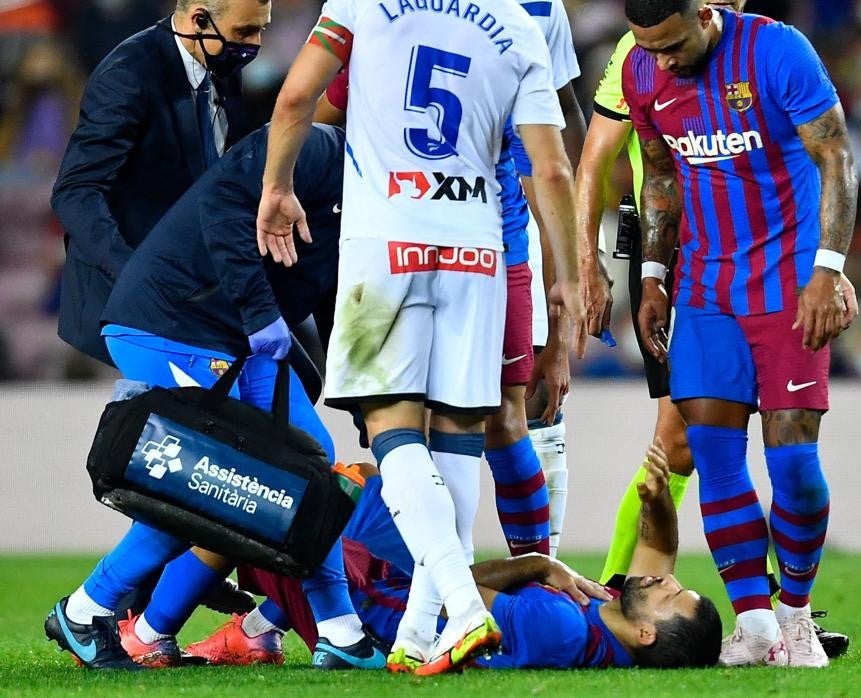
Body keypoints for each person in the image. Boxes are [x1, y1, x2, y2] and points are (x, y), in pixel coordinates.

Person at [257, 0, 584, 675]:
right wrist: (570, 282)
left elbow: (295, 98)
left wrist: (277, 185)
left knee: (392, 431)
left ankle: (463, 609)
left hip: (387, 245)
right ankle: (417, 630)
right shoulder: (520, 24)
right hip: (480, 251)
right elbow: (551, 168)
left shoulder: (359, 3)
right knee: (463, 436)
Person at [44, 124, 387, 671]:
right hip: (170, 322)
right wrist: (260, 317)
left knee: (315, 474)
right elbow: (224, 205)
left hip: (237, 335)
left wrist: (361, 398)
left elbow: (339, 295)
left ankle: (341, 633)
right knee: (203, 486)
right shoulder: (316, 149)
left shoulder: (391, 189)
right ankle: (87, 610)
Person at [574, 0, 851, 660]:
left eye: (673, 44)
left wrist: (830, 268)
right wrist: (651, 277)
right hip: (704, 288)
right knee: (714, 459)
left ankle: (796, 614)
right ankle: (754, 626)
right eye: (650, 47)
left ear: (703, 13)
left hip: (787, 282)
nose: (663, 59)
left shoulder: (777, 52)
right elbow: (660, 175)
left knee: (796, 467)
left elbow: (836, 157)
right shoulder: (642, 71)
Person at [310, 0, 586, 565]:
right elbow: (556, 155)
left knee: (425, 425)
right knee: (477, 423)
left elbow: (311, 111)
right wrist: (570, 269)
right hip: (484, 245)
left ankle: (501, 580)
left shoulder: (378, 10)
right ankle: (465, 587)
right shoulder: (520, 18)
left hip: (420, 244)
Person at [193, 443, 723, 670]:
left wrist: (540, 564)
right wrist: (656, 499)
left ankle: (140, 625)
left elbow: (453, 586)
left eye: (669, 595)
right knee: (371, 479)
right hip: (399, 575)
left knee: (250, 502)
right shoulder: (611, 611)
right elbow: (660, 549)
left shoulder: (559, 627)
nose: (662, 582)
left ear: (648, 634)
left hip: (374, 608)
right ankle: (260, 626)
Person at [52, 0, 269, 367]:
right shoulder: (130, 74)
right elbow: (75, 191)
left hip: (198, 283)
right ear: (199, 20)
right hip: (131, 295)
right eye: (245, 31)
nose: (256, 42)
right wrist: (135, 273)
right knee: (170, 410)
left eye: (261, 28)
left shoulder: (221, 64)